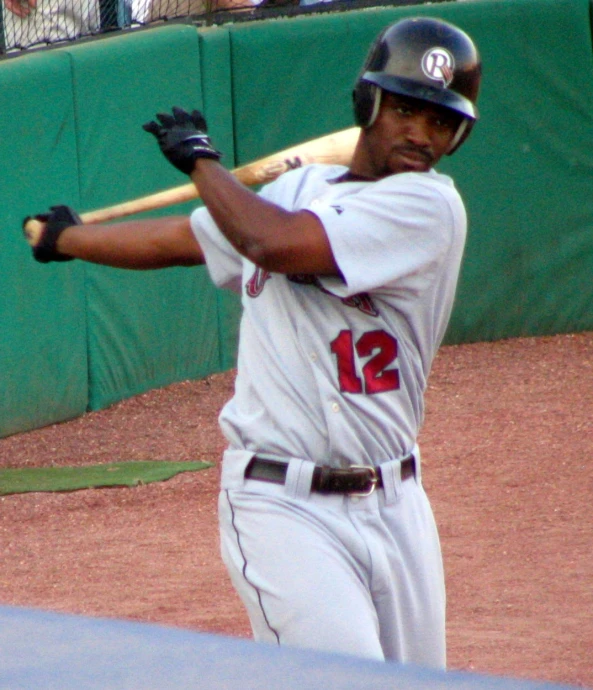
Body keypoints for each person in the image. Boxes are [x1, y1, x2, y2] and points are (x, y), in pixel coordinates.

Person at [23, 17, 481, 668]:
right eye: (405, 110)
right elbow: (188, 239)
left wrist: (202, 162)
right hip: (281, 506)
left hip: (397, 503)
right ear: (367, 104)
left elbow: (269, 242)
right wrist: (68, 240)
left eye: (440, 121)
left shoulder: (430, 209)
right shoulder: (292, 193)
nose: (420, 134)